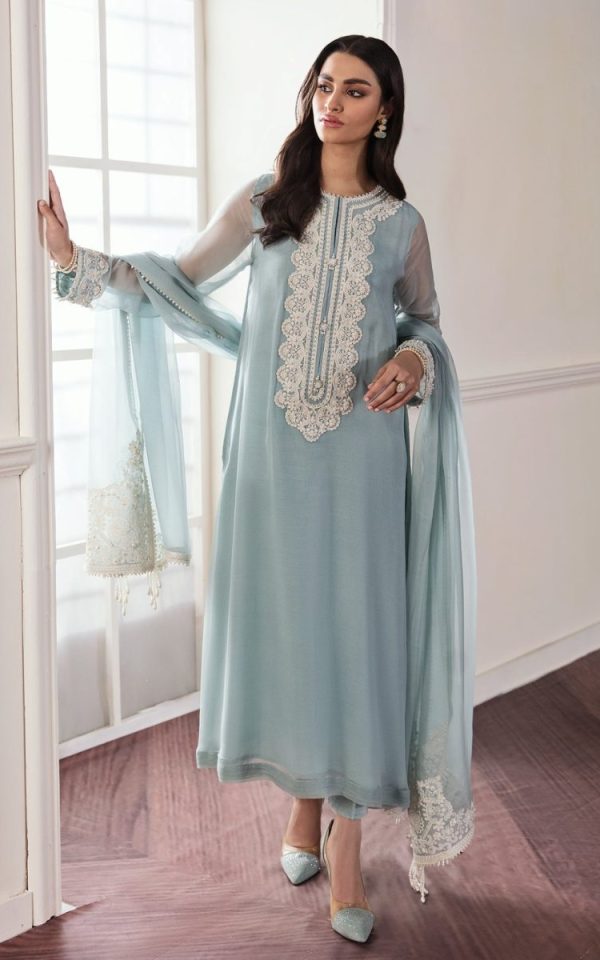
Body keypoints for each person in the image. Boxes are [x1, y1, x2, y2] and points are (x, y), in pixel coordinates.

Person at [38, 34, 477, 945]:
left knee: (355, 636)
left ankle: (345, 843)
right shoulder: (267, 202)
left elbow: (426, 326)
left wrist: (410, 361)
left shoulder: (402, 225)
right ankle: (301, 805)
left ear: (385, 111)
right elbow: (172, 282)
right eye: (323, 85)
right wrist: (76, 260)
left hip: (360, 466)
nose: (332, 103)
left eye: (354, 90)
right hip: (270, 464)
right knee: (294, 634)